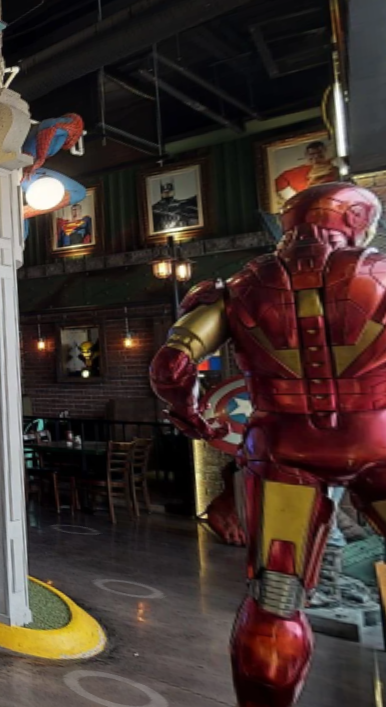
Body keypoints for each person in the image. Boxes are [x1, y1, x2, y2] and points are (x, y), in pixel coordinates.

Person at [150, 183, 386, 707]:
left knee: (276, 600)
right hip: (377, 437)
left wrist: (192, 418)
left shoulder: (239, 288)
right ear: (357, 222)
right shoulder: (381, 273)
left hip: (283, 447)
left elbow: (170, 367)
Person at [274, 141, 338, 204]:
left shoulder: (335, 167)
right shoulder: (300, 171)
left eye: (319, 153)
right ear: (307, 156)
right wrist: (296, 201)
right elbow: (280, 181)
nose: (316, 156)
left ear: (326, 152)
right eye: (312, 154)